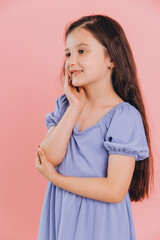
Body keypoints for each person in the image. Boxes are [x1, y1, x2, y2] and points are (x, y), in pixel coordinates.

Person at [36, 14, 154, 240]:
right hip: (62, 213)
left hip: (101, 223)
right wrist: (75, 107)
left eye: (82, 51)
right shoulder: (66, 106)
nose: (71, 62)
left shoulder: (124, 116)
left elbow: (114, 190)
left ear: (111, 58)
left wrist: (56, 179)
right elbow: (48, 157)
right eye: (68, 53)